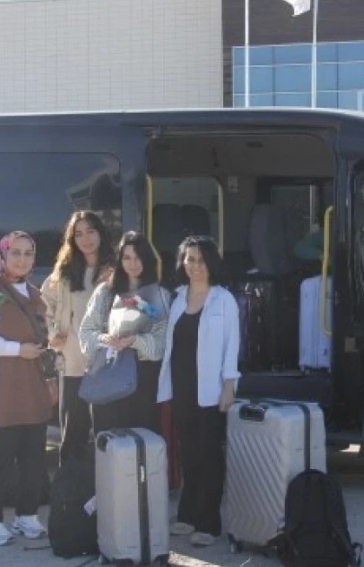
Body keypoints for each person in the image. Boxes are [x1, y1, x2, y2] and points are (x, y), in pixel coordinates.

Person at [0, 231, 59, 547]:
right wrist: (17, 350)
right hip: (0, 393)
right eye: (15, 253)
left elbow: (44, 343)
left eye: (28, 253)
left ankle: (26, 516)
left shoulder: (35, 295)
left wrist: (51, 379)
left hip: (32, 390)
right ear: (2, 256)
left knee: (33, 459)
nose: (22, 259)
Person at [157, 235, 240, 547]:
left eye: (201, 260)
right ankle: (187, 515)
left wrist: (229, 387)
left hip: (211, 391)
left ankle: (208, 523)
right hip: (181, 390)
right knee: (188, 455)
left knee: (209, 457)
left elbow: (233, 346)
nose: (195, 266)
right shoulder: (176, 298)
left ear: (211, 263)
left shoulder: (224, 300)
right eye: (189, 259)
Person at [41, 211, 115, 464]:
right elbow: (44, 308)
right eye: (78, 234)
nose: (85, 239)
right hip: (73, 365)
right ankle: (71, 501)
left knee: (107, 438)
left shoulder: (115, 271)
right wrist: (53, 334)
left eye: (90, 231)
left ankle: (107, 497)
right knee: (72, 437)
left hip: (106, 366)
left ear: (101, 233)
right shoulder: (63, 273)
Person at [79, 231, 169, 434]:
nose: (133, 263)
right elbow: (86, 332)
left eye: (138, 257)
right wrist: (104, 339)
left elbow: (161, 342)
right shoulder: (105, 292)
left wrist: (134, 341)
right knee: (109, 444)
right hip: (107, 376)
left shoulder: (159, 295)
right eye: (127, 257)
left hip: (142, 382)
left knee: (140, 445)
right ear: (119, 260)